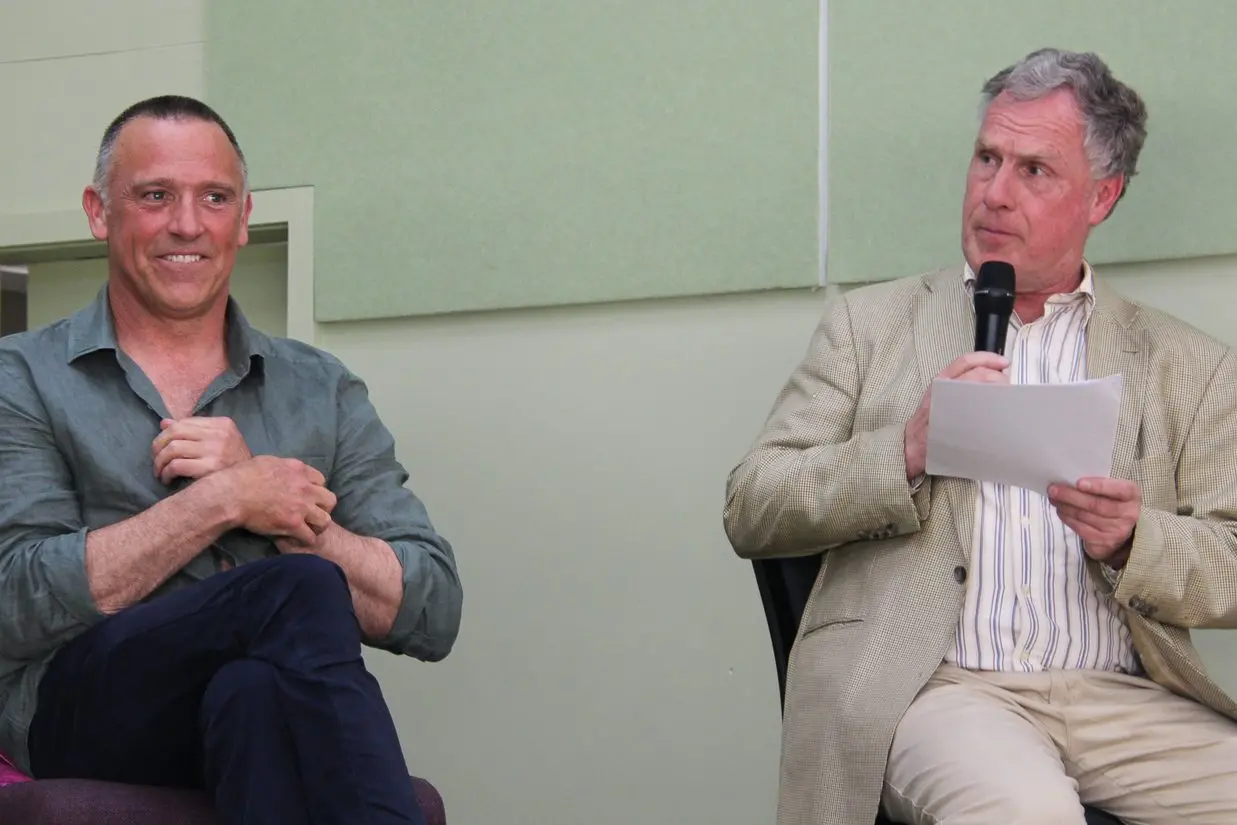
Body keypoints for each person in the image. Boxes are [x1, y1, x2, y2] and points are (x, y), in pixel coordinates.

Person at [724, 48, 1237, 825]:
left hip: (1122, 698)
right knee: (1026, 815)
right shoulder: (870, 328)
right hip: (936, 688)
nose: (994, 193)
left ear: (1101, 196)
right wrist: (905, 450)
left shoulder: (1187, 365)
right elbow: (752, 504)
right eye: (986, 158)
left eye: (1034, 170)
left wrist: (1136, 540)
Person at [0, 95, 463, 824]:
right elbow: (12, 602)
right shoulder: (20, 375)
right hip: (82, 711)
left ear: (242, 217)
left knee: (253, 689)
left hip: (245, 708)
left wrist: (296, 519)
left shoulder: (322, 387)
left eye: (214, 197)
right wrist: (219, 501)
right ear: (99, 211)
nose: (187, 223)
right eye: (154, 195)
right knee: (297, 589)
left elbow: (432, 609)